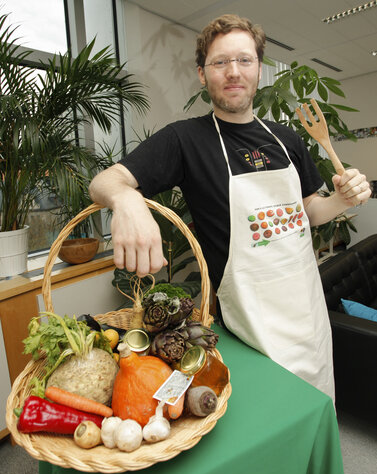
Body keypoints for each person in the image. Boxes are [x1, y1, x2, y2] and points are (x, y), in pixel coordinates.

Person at [89, 14, 371, 401]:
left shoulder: (287, 138)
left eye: (244, 60)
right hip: (250, 325)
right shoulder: (185, 140)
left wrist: (342, 199)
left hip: (308, 315)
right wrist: (126, 199)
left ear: (259, 69)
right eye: (220, 62)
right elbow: (103, 182)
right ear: (203, 74)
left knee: (317, 412)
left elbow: (310, 212)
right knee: (266, 418)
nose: (233, 72)